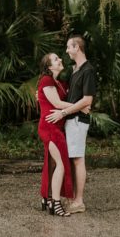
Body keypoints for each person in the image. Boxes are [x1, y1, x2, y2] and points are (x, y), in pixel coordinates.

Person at [46, 34, 96, 214]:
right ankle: (73, 197)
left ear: (77, 48)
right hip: (70, 120)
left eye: (69, 47)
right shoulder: (75, 70)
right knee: (72, 159)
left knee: (77, 160)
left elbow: (87, 99)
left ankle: (79, 201)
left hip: (77, 121)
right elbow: (66, 95)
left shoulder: (88, 70)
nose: (66, 50)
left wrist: (64, 112)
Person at [36, 52, 78, 217]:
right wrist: (80, 106)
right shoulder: (46, 80)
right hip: (50, 127)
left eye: (59, 57)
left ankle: (46, 199)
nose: (60, 59)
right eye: (55, 59)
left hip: (55, 127)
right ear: (48, 66)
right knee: (60, 164)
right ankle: (56, 204)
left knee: (52, 164)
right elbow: (57, 103)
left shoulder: (58, 83)